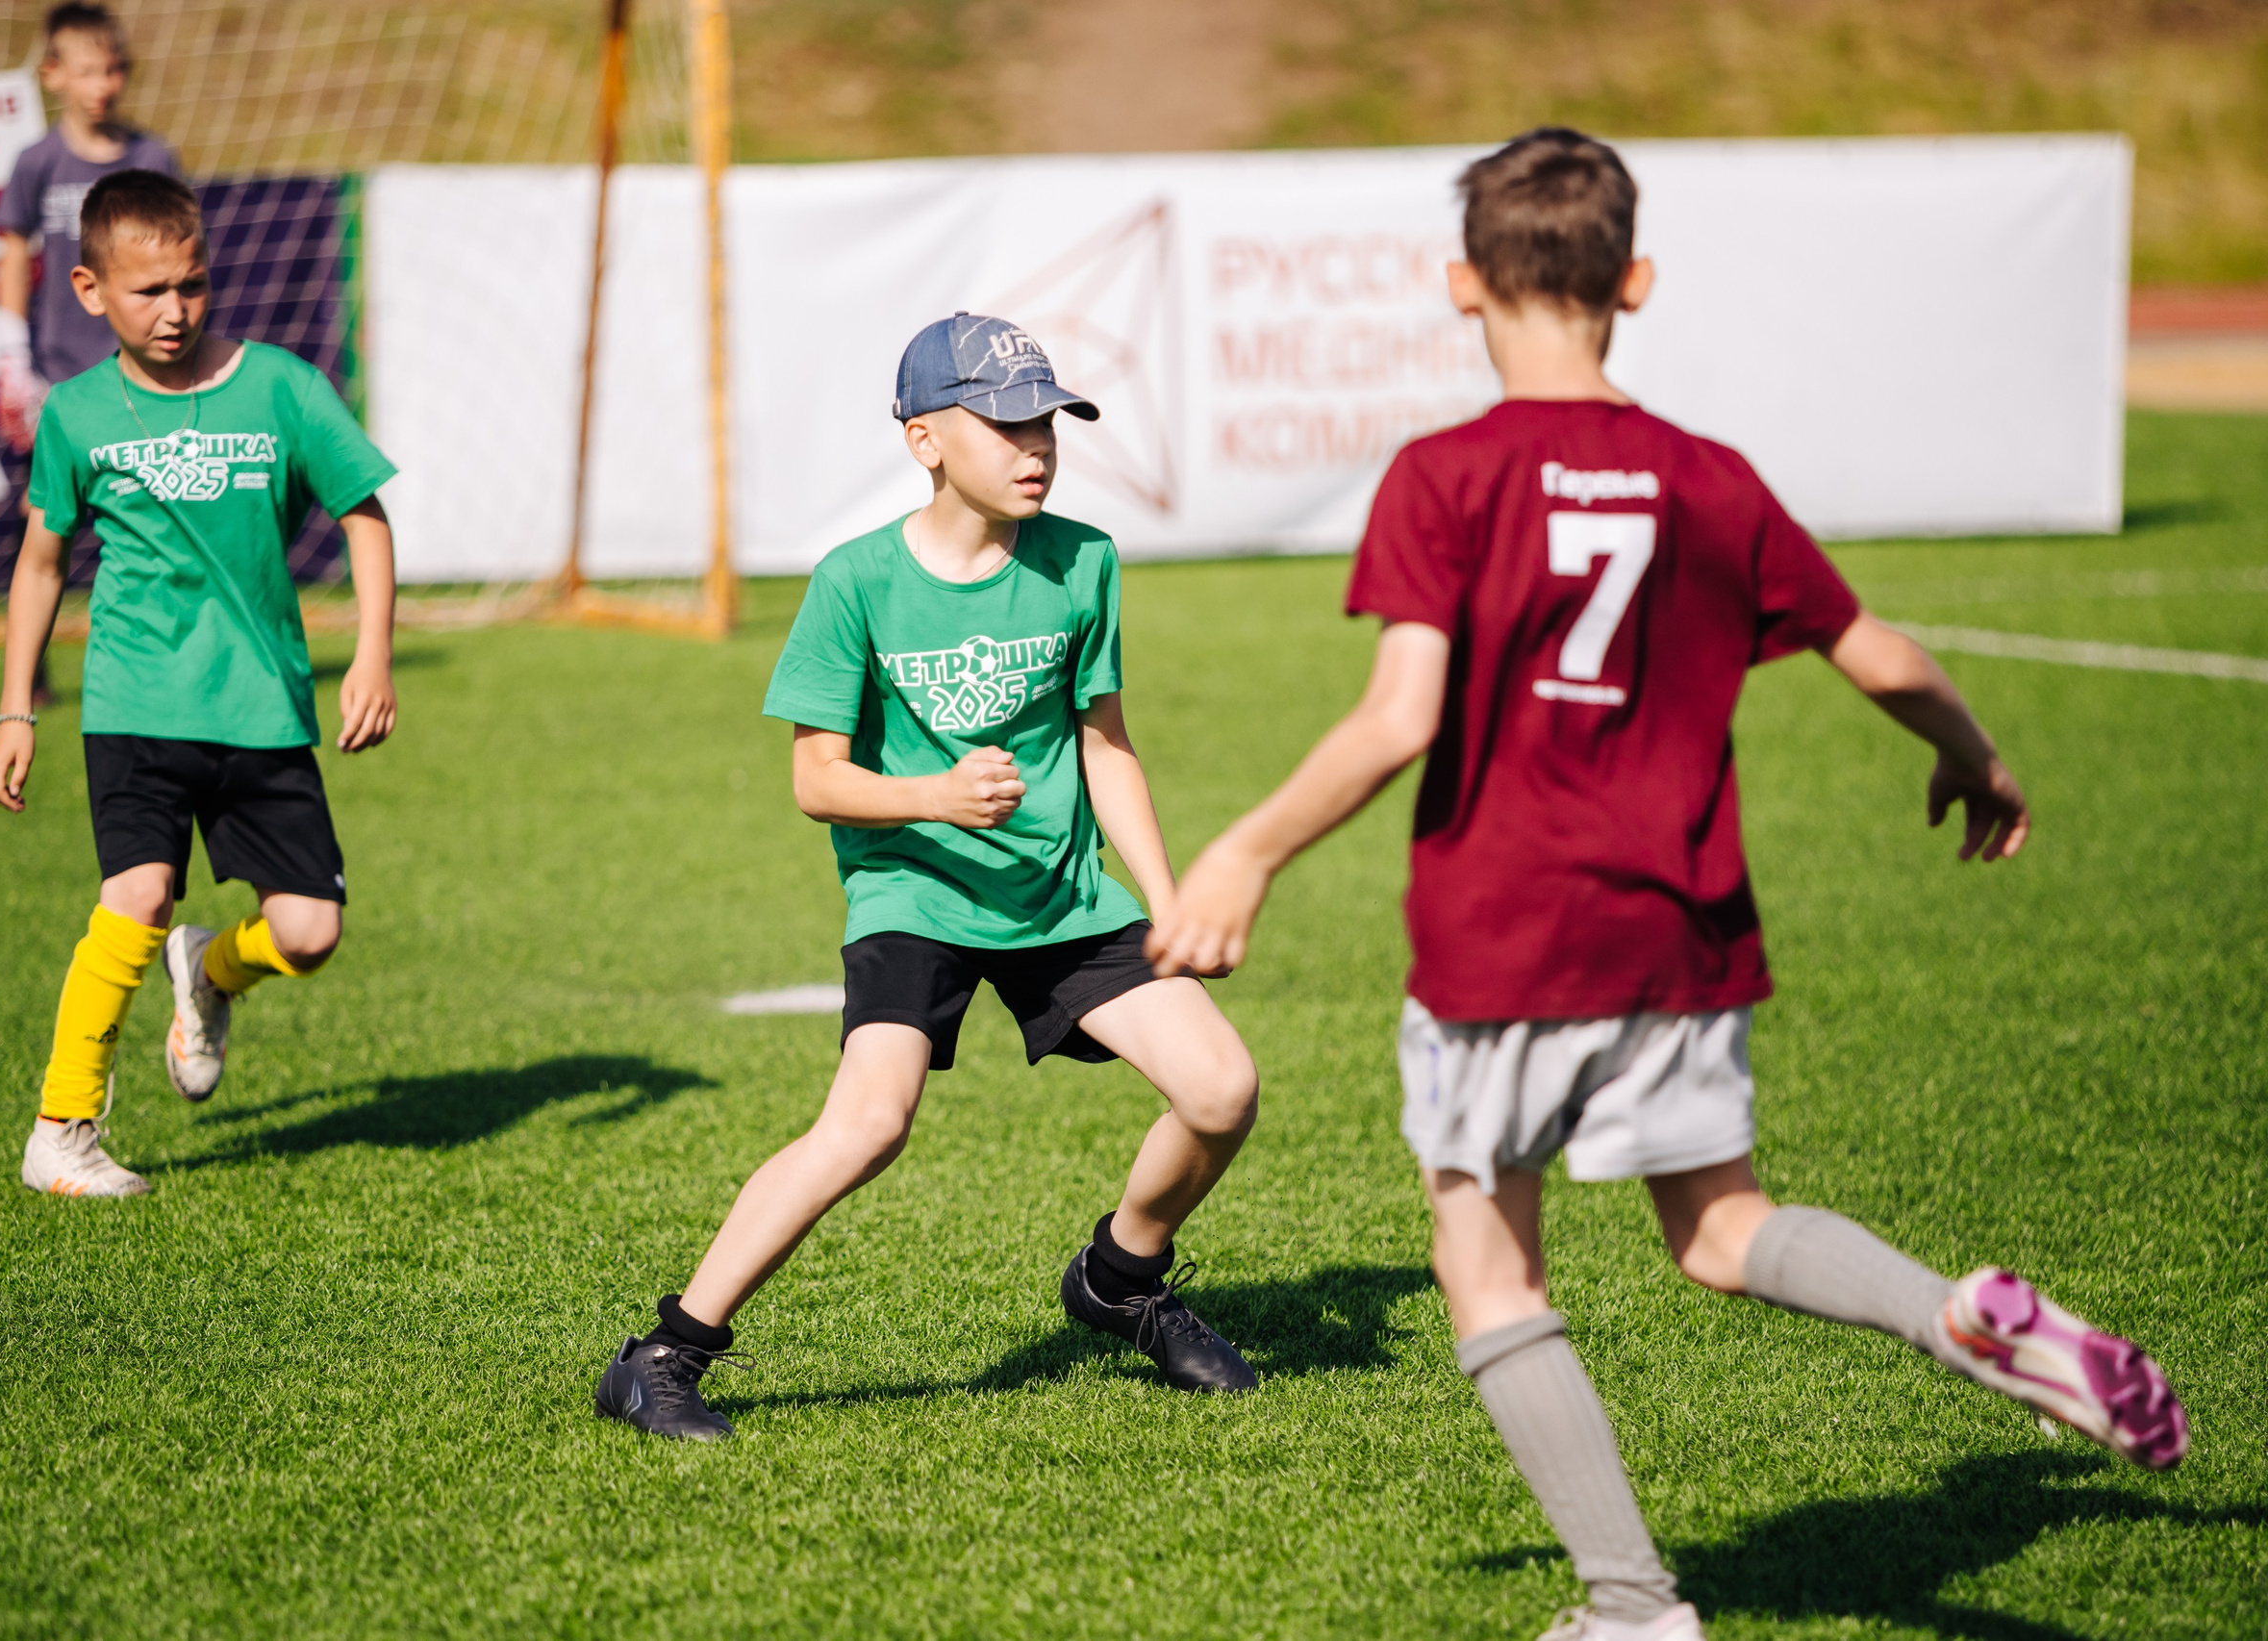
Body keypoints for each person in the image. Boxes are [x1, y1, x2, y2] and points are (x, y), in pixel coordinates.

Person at [1146, 129, 2187, 1641]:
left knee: (1486, 1261)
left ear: (1461, 285)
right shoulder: (1712, 478)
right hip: (1685, 931)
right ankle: (1954, 1314)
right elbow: (1875, 648)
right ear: (1634, 281)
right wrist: (1974, 753)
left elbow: (1399, 717)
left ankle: (1631, 1604)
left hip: (1506, 932)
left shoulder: (1447, 476)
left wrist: (1242, 849)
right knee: (1716, 1226)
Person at [596, 313, 1262, 1441]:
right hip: (914, 893)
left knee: (1220, 1086)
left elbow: (1105, 742)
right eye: (1004, 423)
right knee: (867, 1123)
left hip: (1061, 895)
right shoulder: (854, 582)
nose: (1034, 446)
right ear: (924, 440)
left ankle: (1121, 1278)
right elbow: (816, 776)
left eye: (1046, 420)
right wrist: (933, 796)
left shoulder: (1083, 560)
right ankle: (664, 1353)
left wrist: (1166, 893)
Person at [0, 170, 400, 1198]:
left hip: (261, 703)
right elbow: (39, 564)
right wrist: (15, 704)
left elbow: (364, 515)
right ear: (88, 290)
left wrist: (376, 653)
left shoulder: (284, 388)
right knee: (137, 893)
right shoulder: (77, 415)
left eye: (192, 285)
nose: (174, 311)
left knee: (308, 932)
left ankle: (208, 971)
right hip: (134, 701)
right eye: (147, 292)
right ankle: (62, 1130)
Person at [0, 3, 181, 707]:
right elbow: (15, 256)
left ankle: (162, 655)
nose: (103, 84)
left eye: (114, 69)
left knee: (156, 510)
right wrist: (12, 353)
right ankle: (29, 670)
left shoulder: (153, 157)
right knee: (44, 520)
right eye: (87, 70)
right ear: (53, 75)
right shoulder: (37, 162)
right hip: (61, 375)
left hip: (145, 375)